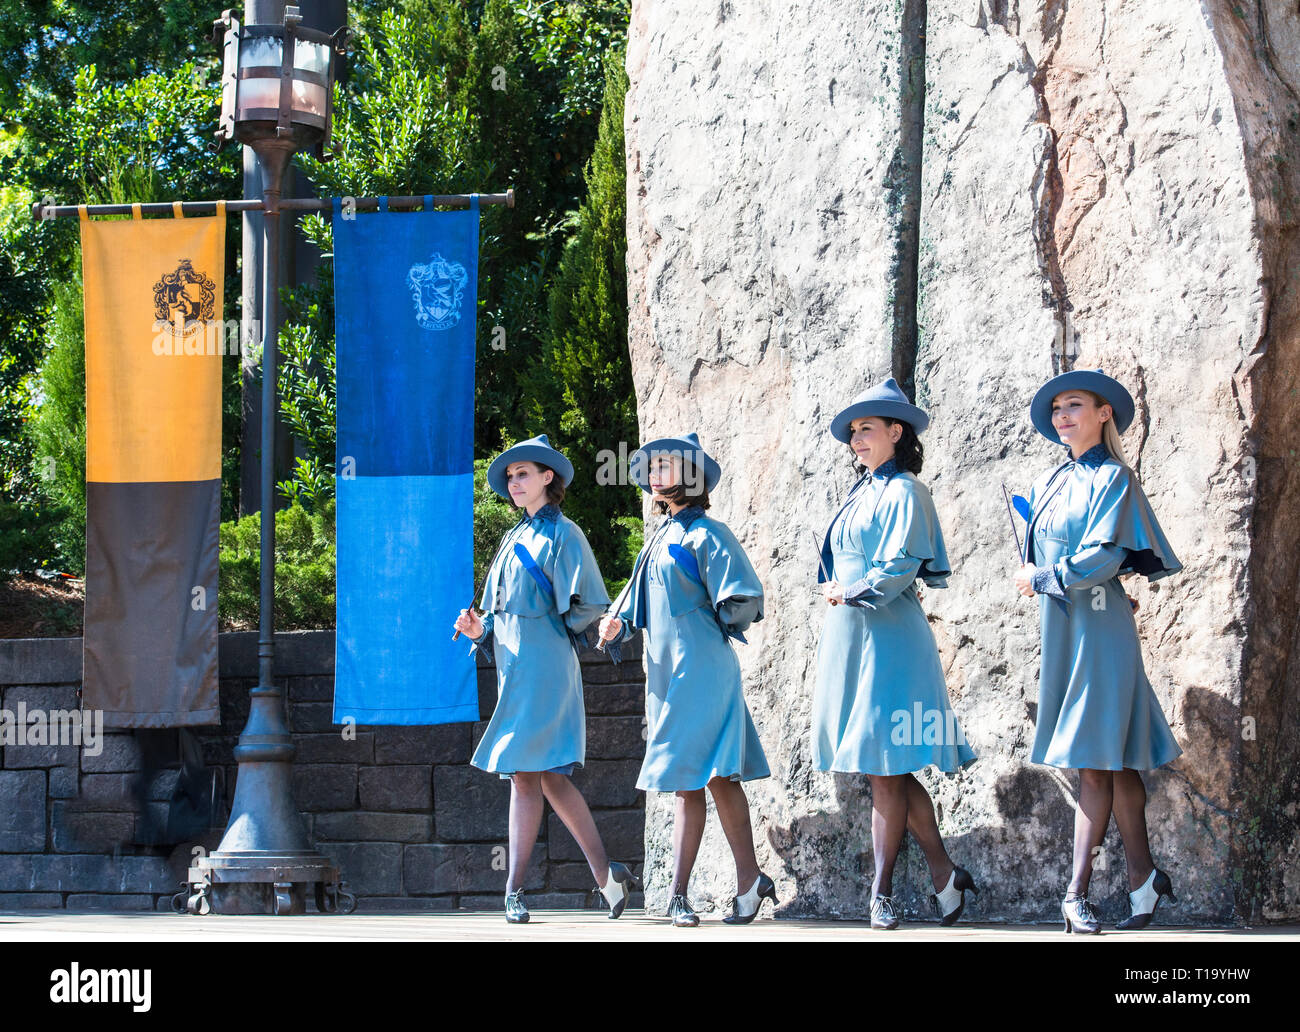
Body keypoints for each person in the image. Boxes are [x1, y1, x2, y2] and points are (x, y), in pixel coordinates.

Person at [1013, 369, 1182, 933]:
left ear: (1103, 413)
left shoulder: (1115, 477)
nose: (1062, 416)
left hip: (1100, 625)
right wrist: (1040, 573)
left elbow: (1107, 555)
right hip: (1065, 624)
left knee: (1092, 757)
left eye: (1074, 405)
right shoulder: (1048, 482)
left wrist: (1044, 576)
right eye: (1057, 408)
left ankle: (1075, 892)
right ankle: (1143, 879)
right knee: (1117, 756)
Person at [812, 377, 979, 930]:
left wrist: (851, 590)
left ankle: (880, 894)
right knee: (889, 769)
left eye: (867, 428)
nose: (857, 438)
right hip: (853, 636)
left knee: (886, 768)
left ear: (896, 431)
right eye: (853, 430)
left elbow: (901, 566)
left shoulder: (906, 490)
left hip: (889, 638)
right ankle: (944, 873)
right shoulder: (861, 492)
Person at [453, 434, 636, 924]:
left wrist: (568, 629)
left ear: (547, 477)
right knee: (546, 775)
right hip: (513, 667)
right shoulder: (512, 537)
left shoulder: (566, 534)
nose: (514, 482)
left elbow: (589, 605)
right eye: (510, 476)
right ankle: (606, 874)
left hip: (546, 664)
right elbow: (496, 614)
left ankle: (513, 890)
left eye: (524, 474)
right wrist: (479, 628)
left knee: (525, 772)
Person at [597, 432, 774, 927]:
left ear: (692, 477)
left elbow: (743, 596)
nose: (655, 472)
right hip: (664, 672)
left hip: (700, 669)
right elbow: (636, 605)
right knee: (714, 776)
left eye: (667, 465)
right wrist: (618, 625)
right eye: (650, 466)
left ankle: (678, 895)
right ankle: (751, 880)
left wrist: (715, 621)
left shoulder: (708, 533)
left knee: (690, 779)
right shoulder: (657, 539)